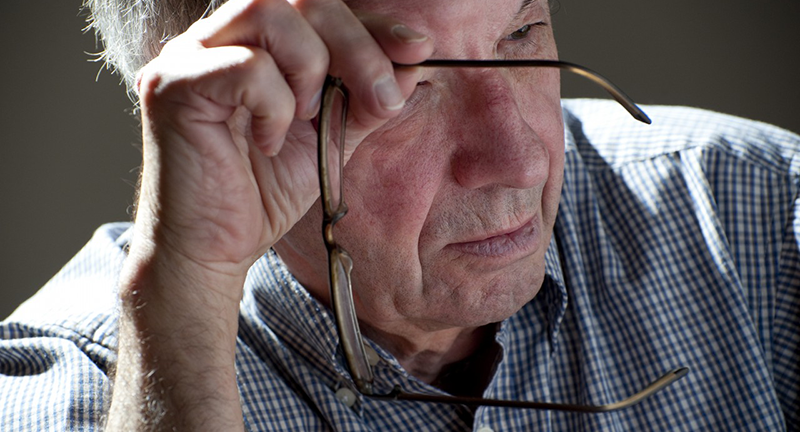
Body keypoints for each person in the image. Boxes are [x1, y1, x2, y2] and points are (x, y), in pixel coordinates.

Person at [1, 0, 797, 430]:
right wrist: (185, 296)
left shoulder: (755, 212)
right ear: (238, 108)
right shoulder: (85, 389)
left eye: (520, 32)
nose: (520, 159)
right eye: (403, 81)